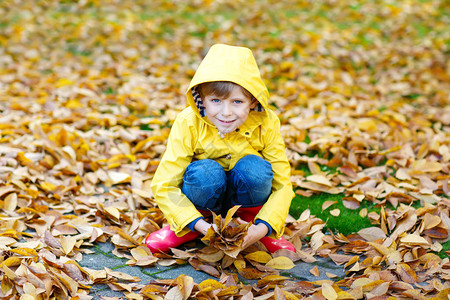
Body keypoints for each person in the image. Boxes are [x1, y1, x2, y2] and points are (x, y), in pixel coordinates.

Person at [145, 44, 295, 254]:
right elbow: (164, 183)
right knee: (205, 172)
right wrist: (199, 224)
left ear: (252, 101)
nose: (226, 112)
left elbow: (282, 184)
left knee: (256, 170)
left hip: (247, 196)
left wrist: (263, 228)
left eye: (237, 101)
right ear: (202, 100)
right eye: (216, 100)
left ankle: (250, 222)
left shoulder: (267, 123)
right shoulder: (188, 122)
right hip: (203, 194)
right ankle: (188, 227)